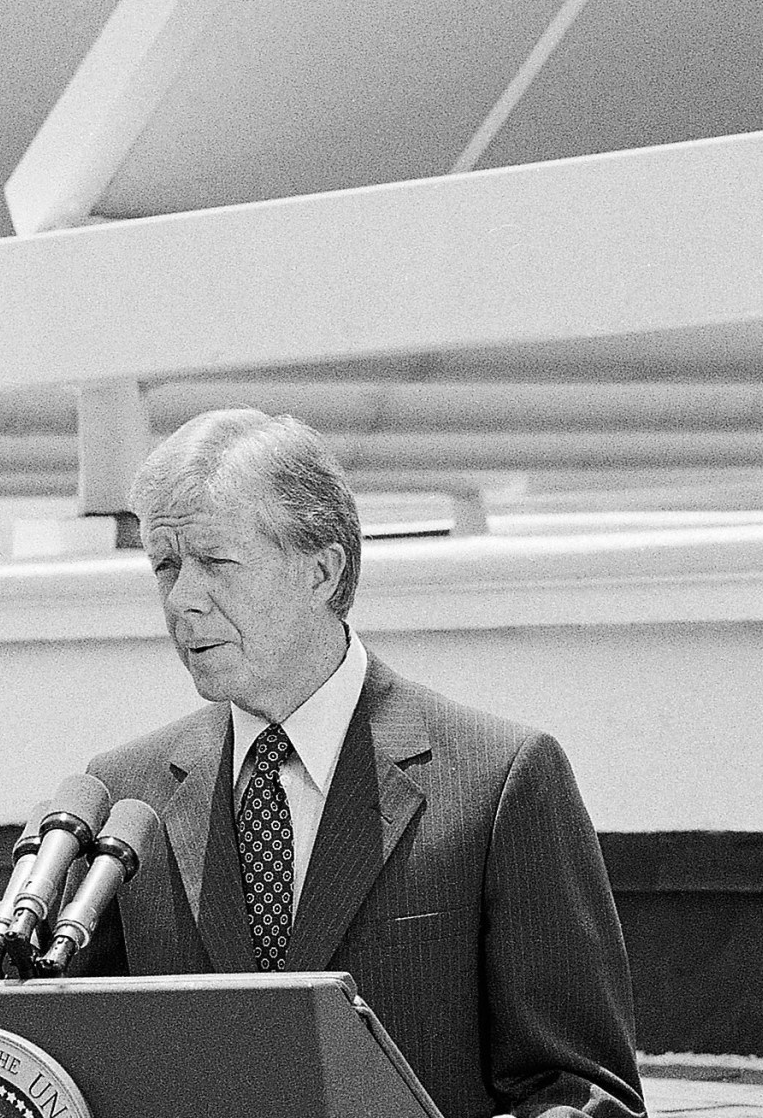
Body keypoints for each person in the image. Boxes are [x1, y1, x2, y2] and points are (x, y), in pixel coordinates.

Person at [79, 408, 643, 1118]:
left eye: (215, 561)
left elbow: (580, 1095)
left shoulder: (501, 781)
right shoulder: (124, 800)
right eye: (166, 565)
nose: (183, 599)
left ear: (322, 569)